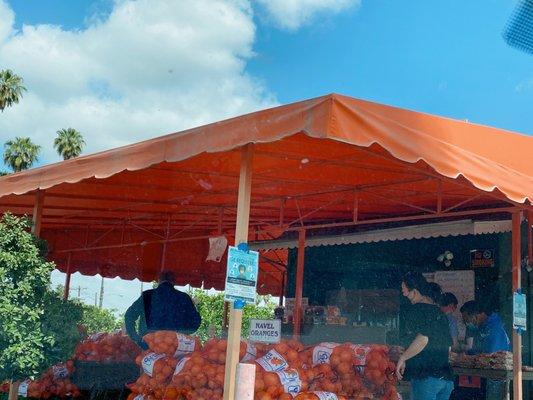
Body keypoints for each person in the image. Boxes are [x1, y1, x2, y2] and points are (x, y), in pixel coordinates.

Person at [397, 271, 453, 400]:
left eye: (405, 290)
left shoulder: (417, 310)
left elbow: (423, 339)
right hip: (445, 380)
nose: (404, 294)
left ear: (415, 291)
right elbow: (449, 347)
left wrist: (403, 358)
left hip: (426, 379)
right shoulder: (439, 312)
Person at [125, 271, 201, 349]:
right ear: (174, 281)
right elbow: (195, 323)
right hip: (175, 347)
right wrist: (182, 335)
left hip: (149, 345)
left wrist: (137, 338)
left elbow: (129, 316)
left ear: (158, 280)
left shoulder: (147, 296)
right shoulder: (184, 298)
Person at [460, 301, 510, 399]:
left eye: (467, 319)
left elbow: (493, 356)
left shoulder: (495, 327)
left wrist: (474, 357)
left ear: (476, 314)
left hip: (496, 377)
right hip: (484, 375)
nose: (467, 323)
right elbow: (477, 349)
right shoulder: (482, 327)